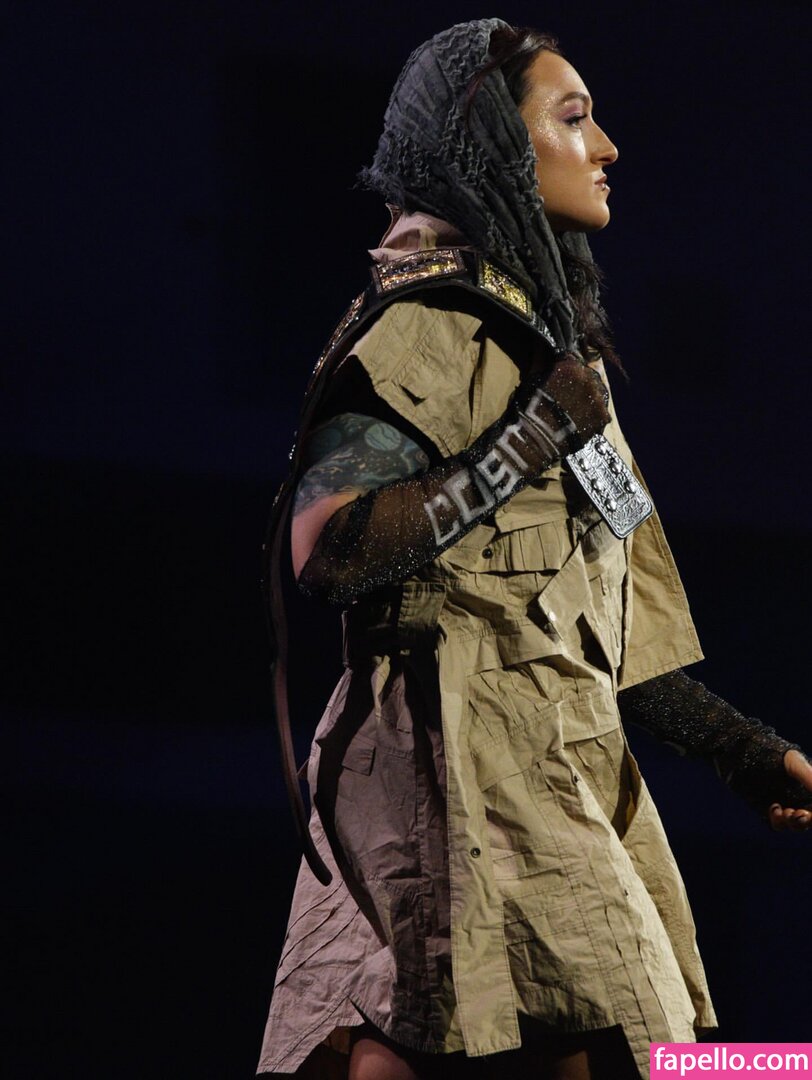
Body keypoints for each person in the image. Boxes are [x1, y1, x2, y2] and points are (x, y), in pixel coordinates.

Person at [256, 19, 812, 1080]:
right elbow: (329, 552)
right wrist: (527, 439)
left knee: (551, 1038)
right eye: (572, 118)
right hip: (452, 763)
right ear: (494, 147)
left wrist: (745, 753)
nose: (606, 146)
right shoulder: (426, 323)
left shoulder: (546, 351)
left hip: (559, 759)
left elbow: (601, 631)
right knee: (594, 1039)